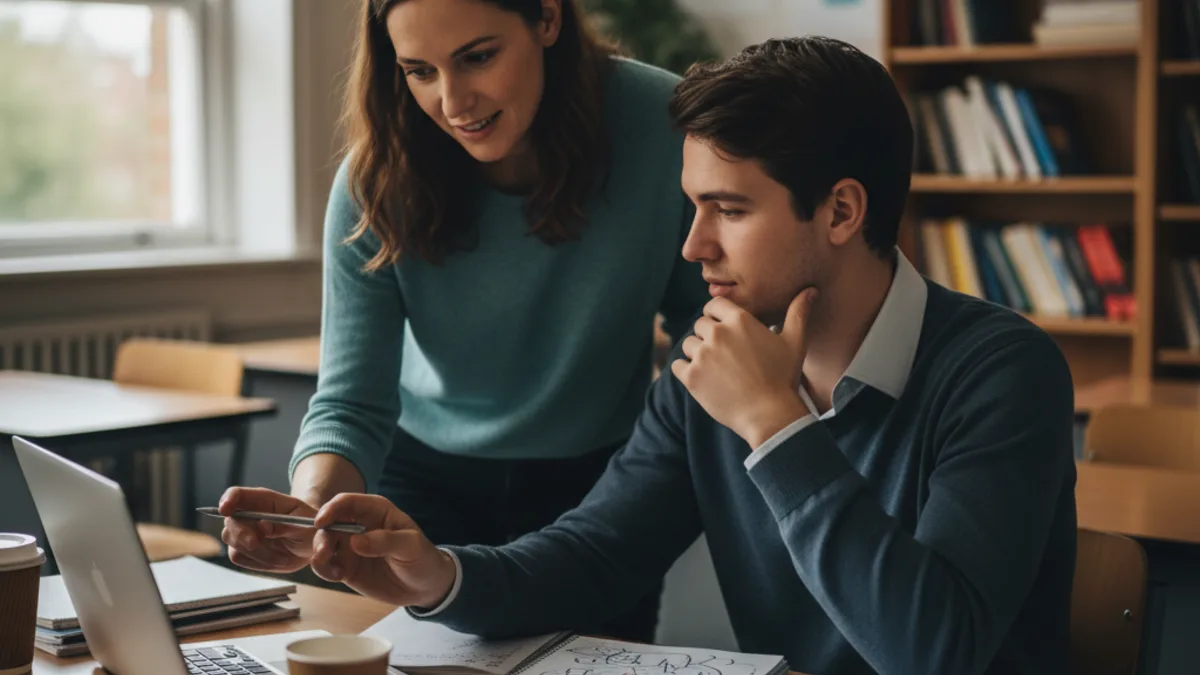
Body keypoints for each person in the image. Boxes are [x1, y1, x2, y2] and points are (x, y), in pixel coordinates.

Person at [272, 35, 1080, 675]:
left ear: (840, 210)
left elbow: (931, 652)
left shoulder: (1002, 373)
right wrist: (435, 574)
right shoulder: (708, 370)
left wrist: (776, 424)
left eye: (728, 209)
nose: (692, 244)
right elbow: (594, 555)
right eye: (691, 205)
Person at [218, 0, 708, 643]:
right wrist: (312, 511)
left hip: (600, 484)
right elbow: (349, 402)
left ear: (549, 19)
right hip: (422, 486)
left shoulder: (664, 125)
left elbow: (705, 335)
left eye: (478, 57)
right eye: (419, 71)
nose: (453, 102)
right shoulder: (376, 181)